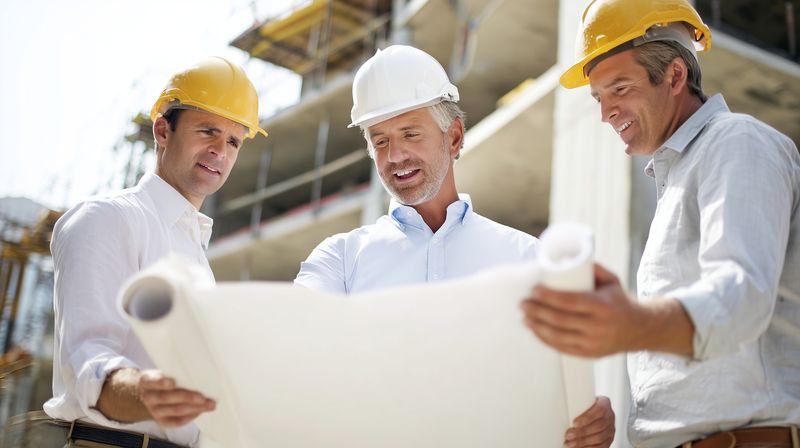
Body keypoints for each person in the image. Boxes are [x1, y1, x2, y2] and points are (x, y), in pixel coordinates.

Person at [295, 44, 616, 448]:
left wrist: (593, 416)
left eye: (410, 134)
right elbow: (294, 342)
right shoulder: (338, 260)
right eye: (380, 141)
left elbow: (567, 387)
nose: (395, 156)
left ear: (454, 137)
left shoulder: (529, 258)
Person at [521, 0, 800, 447]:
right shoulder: (679, 179)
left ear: (674, 75)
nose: (606, 113)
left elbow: (741, 297)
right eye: (598, 97)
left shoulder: (736, 143)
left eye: (620, 88)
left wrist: (631, 323)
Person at [4, 57, 267, 448]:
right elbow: (88, 358)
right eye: (207, 131)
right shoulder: (107, 218)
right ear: (162, 130)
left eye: (233, 141)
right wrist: (144, 392)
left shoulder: (193, 246)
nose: (220, 151)